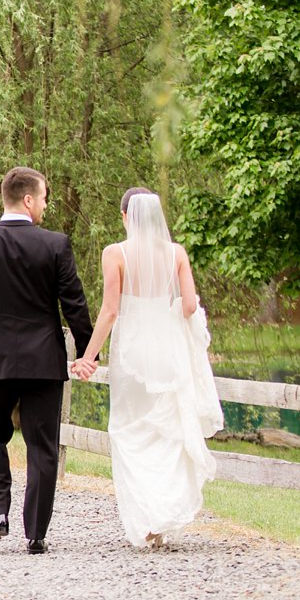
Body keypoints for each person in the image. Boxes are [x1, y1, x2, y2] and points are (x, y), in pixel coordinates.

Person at [70, 188, 224, 547]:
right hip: (167, 351)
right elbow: (188, 306)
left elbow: (109, 311)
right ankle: (162, 514)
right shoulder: (176, 254)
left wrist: (88, 358)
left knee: (128, 430)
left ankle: (148, 515)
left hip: (132, 352)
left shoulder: (115, 254)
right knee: (165, 430)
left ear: (125, 216)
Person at [0, 167, 94, 554]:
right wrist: (87, 351)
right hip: (43, 361)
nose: (46, 204)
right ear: (28, 200)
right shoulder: (55, 245)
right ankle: (36, 534)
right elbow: (74, 305)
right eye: (44, 197)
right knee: (42, 445)